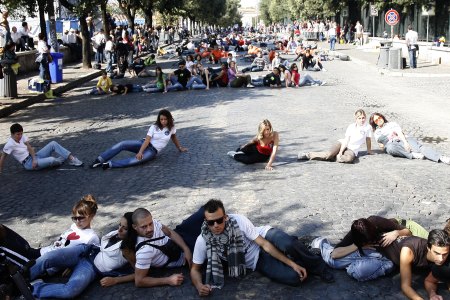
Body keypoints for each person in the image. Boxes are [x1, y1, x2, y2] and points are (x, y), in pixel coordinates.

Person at [190, 199, 332, 296]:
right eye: (211, 222)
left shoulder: (238, 221)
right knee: (294, 278)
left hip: (262, 237)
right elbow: (195, 269)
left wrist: (292, 264)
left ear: (225, 217)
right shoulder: (202, 240)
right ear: (206, 221)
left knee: (288, 244)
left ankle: (319, 266)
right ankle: (299, 251)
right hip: (256, 259)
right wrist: (199, 286)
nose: (216, 225)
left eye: (219, 220)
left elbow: (264, 244)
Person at [28, 212, 135, 299]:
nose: (119, 229)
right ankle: (19, 277)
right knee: (48, 258)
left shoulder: (128, 250)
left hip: (90, 267)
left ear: (132, 231)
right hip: (83, 250)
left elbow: (139, 274)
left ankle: (32, 288)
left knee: (69, 291)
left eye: (125, 228)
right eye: (120, 225)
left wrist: (115, 280)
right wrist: (70, 265)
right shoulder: (117, 233)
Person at [0, 194, 99, 264]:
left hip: (48, 261)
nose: (77, 221)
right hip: (42, 251)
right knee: (3, 231)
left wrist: (70, 266)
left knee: (4, 247)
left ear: (92, 216)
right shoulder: (74, 227)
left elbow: (88, 258)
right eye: (75, 218)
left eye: (81, 218)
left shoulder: (91, 237)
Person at [90, 109, 187, 169]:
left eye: (165, 119)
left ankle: (109, 164)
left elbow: (173, 137)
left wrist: (180, 148)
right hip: (144, 144)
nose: (163, 121)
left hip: (153, 151)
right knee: (123, 144)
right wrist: (140, 152)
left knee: (137, 160)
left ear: (169, 119)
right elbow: (147, 140)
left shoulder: (172, 127)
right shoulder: (154, 127)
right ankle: (99, 160)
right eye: (161, 119)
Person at [132, 207, 195, 287]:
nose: (149, 229)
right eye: (144, 227)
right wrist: (168, 280)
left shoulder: (153, 223)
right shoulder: (144, 251)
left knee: (203, 212)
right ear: (135, 227)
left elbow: (170, 233)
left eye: (150, 224)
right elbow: (139, 281)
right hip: (182, 258)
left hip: (181, 239)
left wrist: (185, 248)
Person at [369, 112, 450, 164]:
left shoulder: (392, 124)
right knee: (390, 148)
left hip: (402, 139)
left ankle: (441, 158)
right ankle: (412, 155)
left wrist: (405, 143)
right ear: (374, 123)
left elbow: (400, 132)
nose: (378, 120)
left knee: (419, 148)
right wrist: (382, 145)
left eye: (379, 118)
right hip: (392, 144)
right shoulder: (377, 132)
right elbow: (382, 145)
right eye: (376, 121)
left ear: (382, 117)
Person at [0, 123, 83, 172]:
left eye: (21, 133)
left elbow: (29, 147)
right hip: (28, 164)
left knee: (53, 143)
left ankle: (72, 159)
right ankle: (60, 159)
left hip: (35, 156)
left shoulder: (22, 137)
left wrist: (35, 159)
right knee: (51, 160)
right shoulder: (9, 144)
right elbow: (3, 158)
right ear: (12, 134)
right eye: (18, 134)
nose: (20, 136)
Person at [298, 109, 372, 163]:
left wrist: (369, 151)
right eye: (359, 118)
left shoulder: (367, 127)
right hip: (342, 144)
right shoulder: (351, 126)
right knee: (328, 154)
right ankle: (308, 155)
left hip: (352, 150)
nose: (362, 120)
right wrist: (340, 151)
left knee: (349, 159)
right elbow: (346, 140)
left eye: (363, 118)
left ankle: (334, 157)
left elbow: (368, 140)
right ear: (356, 119)